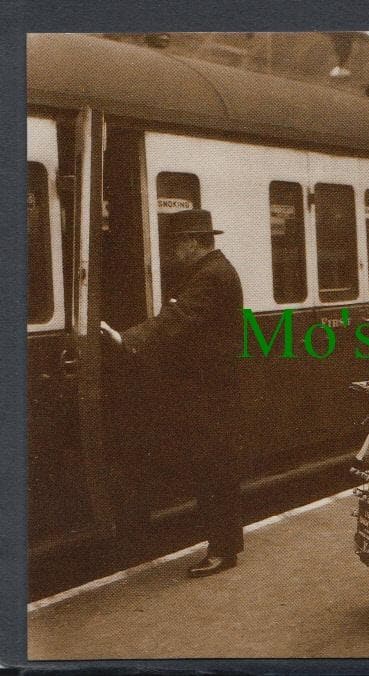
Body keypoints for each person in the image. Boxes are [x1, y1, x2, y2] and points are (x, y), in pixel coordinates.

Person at [100, 209, 245, 578]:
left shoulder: (211, 275)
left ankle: (223, 550)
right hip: (210, 389)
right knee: (215, 467)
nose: (173, 252)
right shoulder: (213, 270)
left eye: (177, 243)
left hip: (209, 392)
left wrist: (126, 339)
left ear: (195, 242)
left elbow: (177, 321)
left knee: (213, 469)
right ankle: (226, 544)